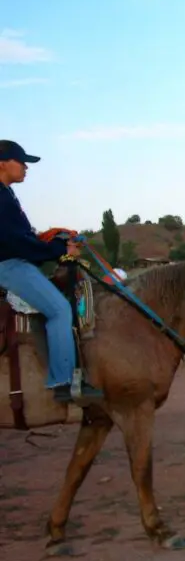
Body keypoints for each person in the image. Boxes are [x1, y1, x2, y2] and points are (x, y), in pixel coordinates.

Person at [0, 140, 104, 403]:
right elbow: (15, 242)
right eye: (21, 161)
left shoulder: (7, 194)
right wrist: (60, 248)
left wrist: (55, 241)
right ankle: (63, 382)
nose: (25, 167)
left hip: (16, 262)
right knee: (59, 309)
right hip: (9, 265)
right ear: (3, 163)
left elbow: (24, 238)